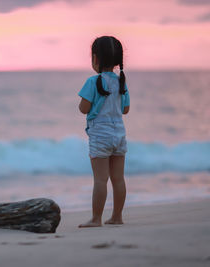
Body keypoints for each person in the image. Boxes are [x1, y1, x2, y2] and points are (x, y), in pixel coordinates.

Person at [77, 36, 130, 228]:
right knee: (118, 179)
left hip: (100, 135)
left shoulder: (93, 81)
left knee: (100, 179)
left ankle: (96, 218)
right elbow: (125, 109)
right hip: (119, 134)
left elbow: (84, 108)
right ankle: (117, 216)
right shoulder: (121, 81)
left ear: (95, 59)